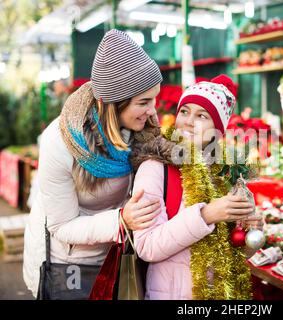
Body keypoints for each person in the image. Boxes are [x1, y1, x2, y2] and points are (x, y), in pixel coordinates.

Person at [23, 29, 174, 298]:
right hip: (68, 262)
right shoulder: (60, 141)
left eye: (154, 98)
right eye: (144, 102)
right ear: (110, 104)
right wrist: (120, 220)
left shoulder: (139, 128)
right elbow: (61, 226)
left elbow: (170, 154)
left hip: (113, 254)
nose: (154, 110)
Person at [131, 75, 263, 300]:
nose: (188, 122)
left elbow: (235, 254)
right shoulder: (156, 167)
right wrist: (207, 214)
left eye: (202, 116)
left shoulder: (226, 173)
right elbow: (146, 247)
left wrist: (251, 230)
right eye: (184, 111)